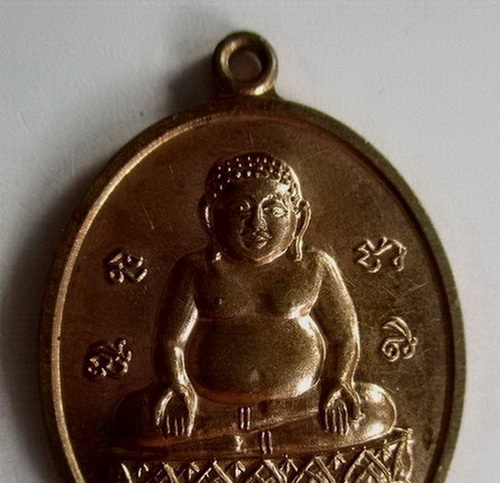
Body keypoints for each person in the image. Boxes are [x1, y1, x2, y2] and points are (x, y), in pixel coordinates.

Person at [115, 152, 395, 448]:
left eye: (274, 210)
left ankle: (236, 434)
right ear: (209, 216)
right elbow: (170, 341)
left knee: (376, 406)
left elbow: (343, 336)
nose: (257, 224)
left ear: (299, 218)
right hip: (210, 406)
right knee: (133, 418)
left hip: (302, 404)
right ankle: (264, 434)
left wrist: (339, 381)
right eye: (240, 209)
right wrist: (174, 383)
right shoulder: (196, 269)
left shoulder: (315, 266)